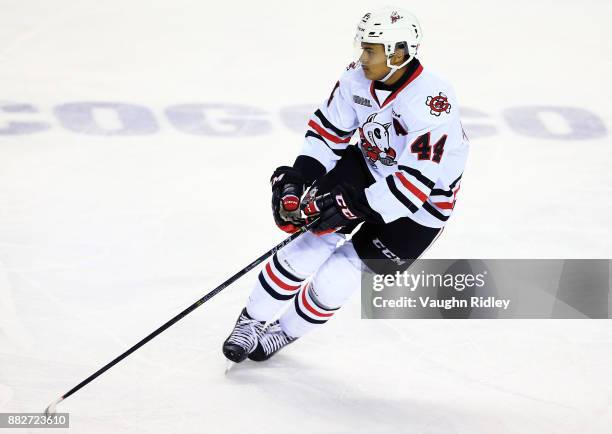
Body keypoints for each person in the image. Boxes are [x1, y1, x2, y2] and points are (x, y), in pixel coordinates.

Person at [222, 6, 469, 363]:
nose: (362, 57)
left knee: (342, 271)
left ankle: (284, 332)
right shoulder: (357, 78)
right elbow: (328, 132)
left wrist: (353, 205)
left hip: (425, 201)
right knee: (309, 244)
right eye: (363, 47)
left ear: (398, 53)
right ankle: (252, 321)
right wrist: (300, 176)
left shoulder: (434, 103)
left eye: (371, 50)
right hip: (369, 165)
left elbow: (415, 184)